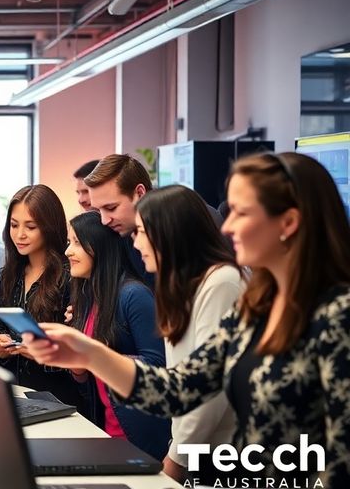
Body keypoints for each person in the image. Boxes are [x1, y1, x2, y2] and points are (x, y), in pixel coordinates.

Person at [27, 153, 350, 487]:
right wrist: (89, 353)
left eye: (241, 212)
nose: (227, 225)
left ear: (289, 223)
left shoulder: (337, 314)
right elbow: (181, 389)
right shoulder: (257, 305)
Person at [132, 185, 242, 482]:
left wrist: (177, 459)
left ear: (169, 232)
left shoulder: (222, 282)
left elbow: (210, 388)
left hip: (227, 455)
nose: (135, 242)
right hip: (198, 449)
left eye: (141, 231)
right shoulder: (181, 286)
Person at [62, 210, 169, 459]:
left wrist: (94, 355)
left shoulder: (134, 295)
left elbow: (158, 364)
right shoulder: (89, 296)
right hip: (104, 426)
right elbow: (85, 375)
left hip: (137, 433)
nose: (68, 251)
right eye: (69, 242)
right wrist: (75, 363)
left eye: (77, 242)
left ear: (99, 247)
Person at [0, 185, 82, 409]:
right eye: (14, 225)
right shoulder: (10, 274)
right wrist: (0, 345)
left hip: (60, 400)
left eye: (30, 227)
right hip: (16, 396)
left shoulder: (71, 275)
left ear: (49, 228)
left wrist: (42, 354)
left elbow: (81, 352)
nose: (19, 235)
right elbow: (0, 326)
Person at [83, 154, 155, 287]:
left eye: (111, 208)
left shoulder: (186, 227)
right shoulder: (117, 234)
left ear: (139, 193)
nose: (105, 221)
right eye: (99, 211)